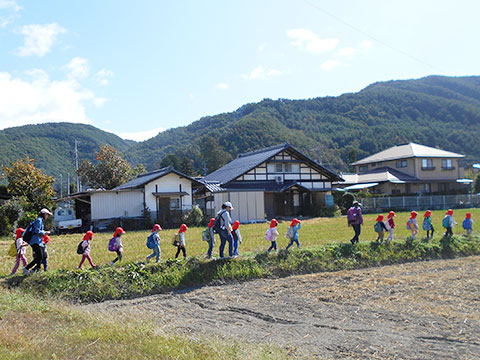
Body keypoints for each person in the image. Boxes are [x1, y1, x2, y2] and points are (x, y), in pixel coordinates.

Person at [24, 208, 52, 274]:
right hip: (35, 241)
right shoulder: (39, 220)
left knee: (40, 256)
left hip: (39, 241)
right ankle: (26, 268)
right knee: (40, 256)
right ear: (44, 214)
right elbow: (37, 231)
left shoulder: (40, 220)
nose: (47, 216)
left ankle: (38, 270)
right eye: (47, 215)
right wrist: (45, 232)